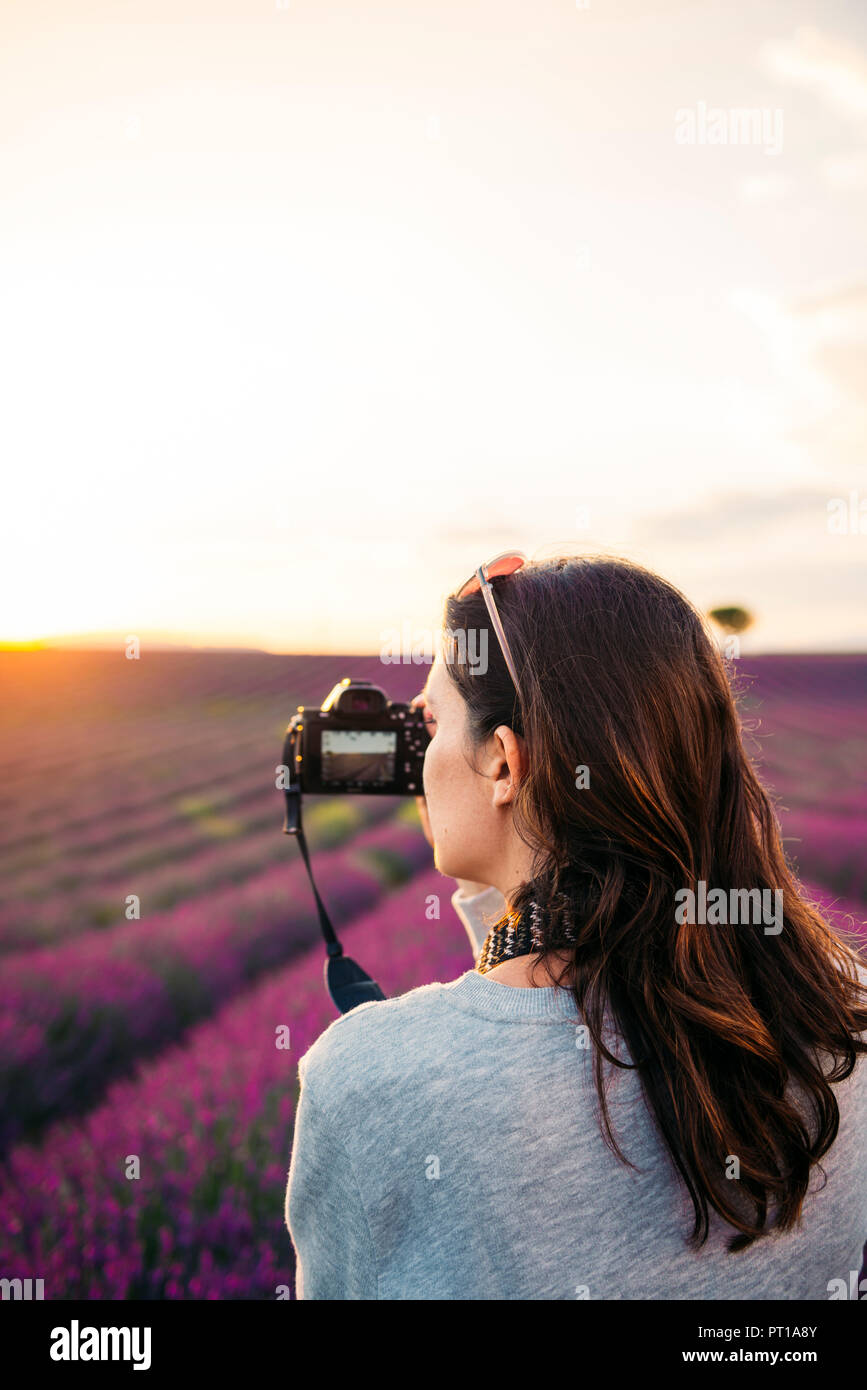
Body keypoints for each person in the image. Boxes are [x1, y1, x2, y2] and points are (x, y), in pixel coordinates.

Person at [284, 552, 867, 1299]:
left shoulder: (371, 1081)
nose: (418, 755)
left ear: (502, 761)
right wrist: (497, 868)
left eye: (431, 722)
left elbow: (514, 1043)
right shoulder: (839, 1011)